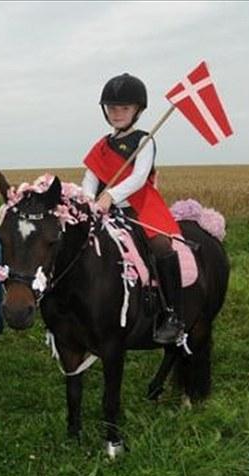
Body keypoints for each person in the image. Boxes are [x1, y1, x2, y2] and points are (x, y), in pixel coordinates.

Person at [81, 73, 184, 344]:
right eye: (112, 108)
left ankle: (171, 314)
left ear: (137, 110)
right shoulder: (102, 145)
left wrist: (110, 196)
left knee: (162, 245)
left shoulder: (144, 141)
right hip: (105, 211)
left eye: (124, 108)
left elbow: (138, 179)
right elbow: (90, 178)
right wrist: (89, 200)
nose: (117, 113)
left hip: (140, 208)